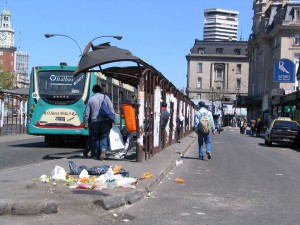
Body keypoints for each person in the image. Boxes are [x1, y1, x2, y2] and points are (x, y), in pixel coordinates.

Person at [83, 84, 115, 160]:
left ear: (93, 91)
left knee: (96, 138)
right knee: (104, 136)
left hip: (95, 122)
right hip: (105, 121)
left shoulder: (91, 99)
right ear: (100, 90)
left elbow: (87, 113)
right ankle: (103, 151)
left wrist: (86, 123)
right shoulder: (105, 97)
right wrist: (112, 119)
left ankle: (96, 153)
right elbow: (111, 108)